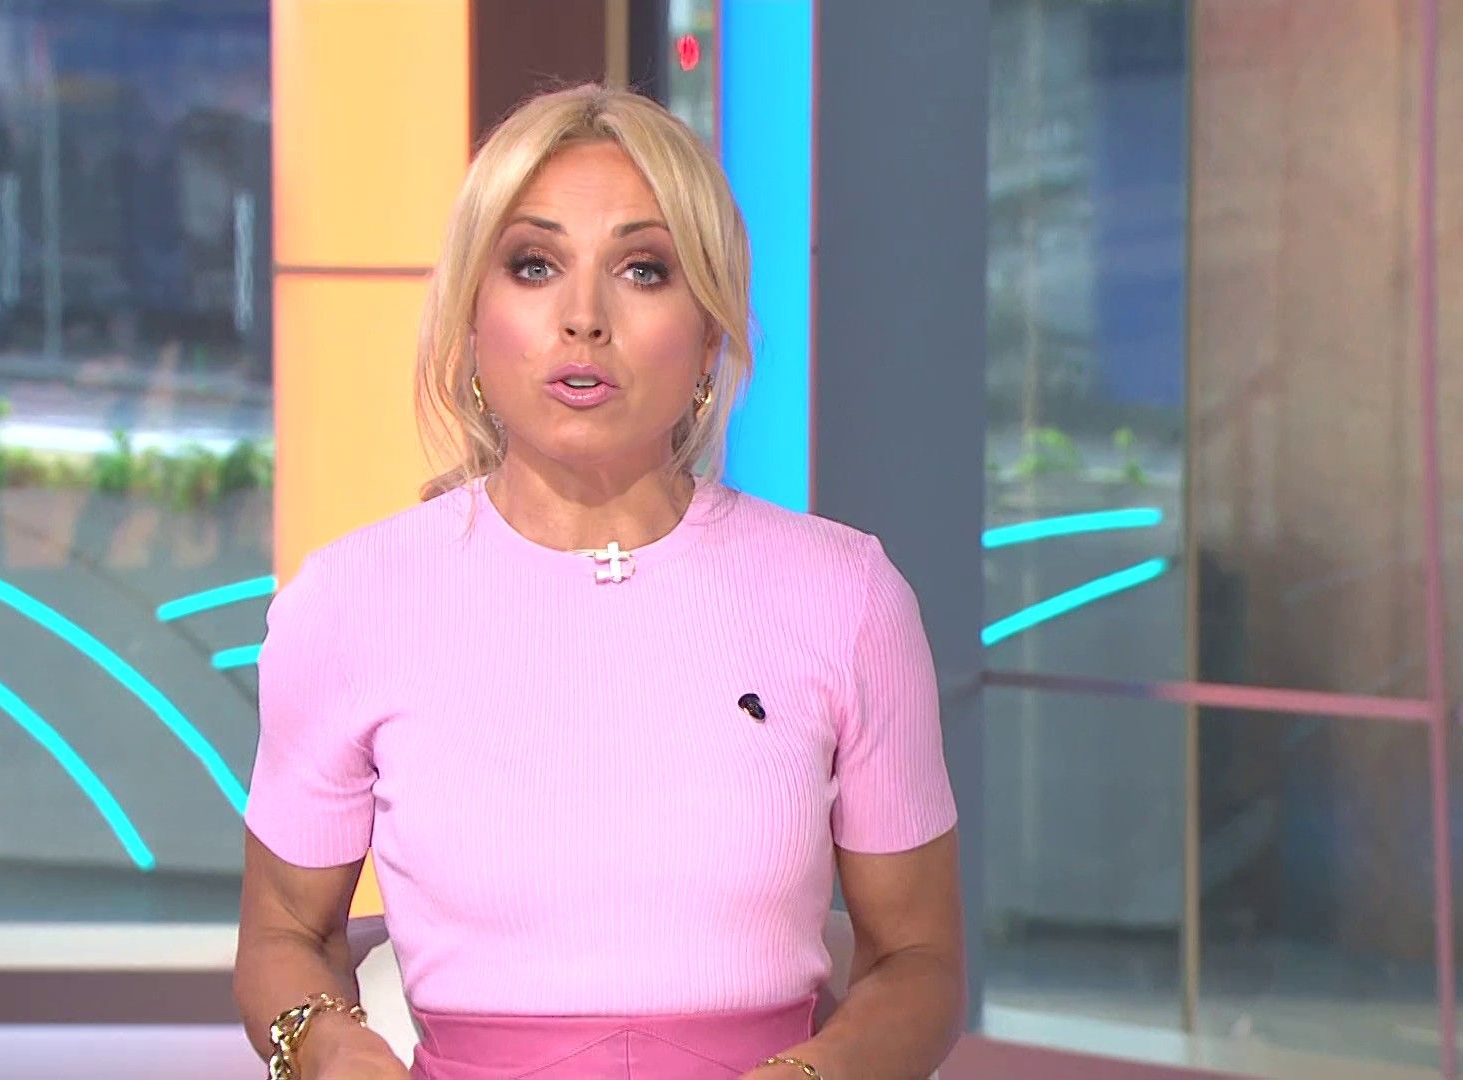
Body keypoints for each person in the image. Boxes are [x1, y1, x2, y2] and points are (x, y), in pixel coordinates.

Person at [235, 85, 964, 1080]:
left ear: (709, 335)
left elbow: (918, 962)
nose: (583, 319)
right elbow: (283, 931)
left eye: (643, 269)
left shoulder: (848, 595)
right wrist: (330, 1049)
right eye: (534, 266)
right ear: (472, 317)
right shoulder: (348, 601)